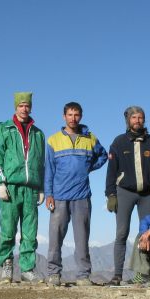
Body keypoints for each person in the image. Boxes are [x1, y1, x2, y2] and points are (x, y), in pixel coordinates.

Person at [44, 102, 108, 286]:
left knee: (82, 238)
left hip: (82, 195)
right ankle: (54, 273)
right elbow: (48, 169)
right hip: (59, 196)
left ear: (81, 116)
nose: (73, 118)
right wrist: (49, 194)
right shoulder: (53, 140)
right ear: (64, 116)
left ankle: (83, 275)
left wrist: (88, 167)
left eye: (76, 115)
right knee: (55, 238)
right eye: (70, 115)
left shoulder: (90, 138)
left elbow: (103, 156)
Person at [105, 105, 150, 285]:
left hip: (147, 194)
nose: (137, 120)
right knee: (122, 233)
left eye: (140, 117)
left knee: (146, 234)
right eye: (134, 117)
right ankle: (117, 275)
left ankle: (146, 274)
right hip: (125, 192)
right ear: (128, 120)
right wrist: (111, 194)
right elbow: (111, 171)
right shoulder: (119, 142)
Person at [0, 92, 46, 283]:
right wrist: (0, 182)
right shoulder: (4, 129)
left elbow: (40, 162)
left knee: (30, 231)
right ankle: (6, 264)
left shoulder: (38, 133)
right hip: (11, 187)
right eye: (21, 105)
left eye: (27, 105)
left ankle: (27, 268)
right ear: (15, 107)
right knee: (8, 228)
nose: (24, 109)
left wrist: (41, 187)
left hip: (31, 189)